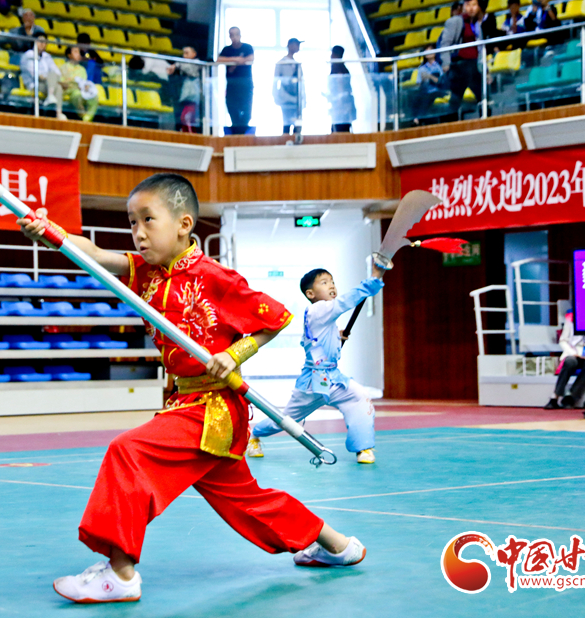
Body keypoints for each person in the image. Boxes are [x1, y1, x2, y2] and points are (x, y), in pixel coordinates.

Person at [20, 173, 368, 604]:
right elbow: (93, 254)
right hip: (185, 399)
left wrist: (235, 354)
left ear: (184, 224)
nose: (138, 232)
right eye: (132, 222)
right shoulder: (147, 272)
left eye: (148, 219)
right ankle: (338, 546)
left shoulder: (215, 276)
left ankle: (120, 573)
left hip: (213, 407)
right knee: (247, 501)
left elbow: (276, 317)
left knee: (128, 452)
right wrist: (52, 234)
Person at [246, 267, 385, 464]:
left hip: (334, 380)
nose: (332, 286)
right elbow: (347, 301)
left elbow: (316, 342)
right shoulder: (319, 309)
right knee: (286, 420)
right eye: (324, 283)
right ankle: (254, 434)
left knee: (358, 397)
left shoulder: (323, 316)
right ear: (310, 294)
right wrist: (374, 278)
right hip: (312, 383)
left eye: (332, 282)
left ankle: (363, 448)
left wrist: (336, 337)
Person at [544, 310, 585, 409]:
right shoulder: (571, 318)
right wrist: (573, 353)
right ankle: (555, 396)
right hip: (575, 353)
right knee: (570, 361)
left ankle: (571, 397)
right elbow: (563, 341)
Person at [438, 0, 483, 118]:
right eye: (468, 5)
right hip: (460, 66)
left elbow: (480, 48)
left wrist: (485, 69)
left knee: (484, 97)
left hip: (474, 66)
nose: (471, 8)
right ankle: (449, 123)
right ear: (463, 7)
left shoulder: (477, 24)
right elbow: (445, 44)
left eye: (474, 5)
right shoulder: (455, 21)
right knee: (455, 99)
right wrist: (446, 62)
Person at [218, 26, 254, 134]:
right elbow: (219, 59)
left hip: (246, 86)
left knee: (247, 113)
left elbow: (250, 58)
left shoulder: (247, 47)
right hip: (232, 86)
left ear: (240, 35)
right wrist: (236, 60)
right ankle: (236, 133)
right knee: (233, 111)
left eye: (236, 34)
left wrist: (237, 62)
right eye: (232, 35)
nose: (234, 37)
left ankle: (242, 132)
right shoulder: (226, 50)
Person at [20, 34, 63, 115]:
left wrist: (49, 78)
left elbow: (57, 72)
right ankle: (51, 98)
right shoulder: (28, 55)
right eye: (40, 41)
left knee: (59, 87)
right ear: (34, 42)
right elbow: (35, 75)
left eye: (45, 42)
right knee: (56, 84)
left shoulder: (47, 56)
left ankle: (58, 113)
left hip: (48, 83)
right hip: (34, 85)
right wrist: (49, 78)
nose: (42, 44)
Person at [273, 37, 305, 137]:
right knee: (286, 123)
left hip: (296, 99)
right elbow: (276, 81)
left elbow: (301, 82)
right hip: (285, 98)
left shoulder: (297, 64)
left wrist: (303, 98)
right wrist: (276, 96)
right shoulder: (281, 63)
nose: (298, 47)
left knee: (297, 126)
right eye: (296, 45)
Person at [60, 45, 99, 121]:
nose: (78, 54)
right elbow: (62, 83)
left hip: (81, 92)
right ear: (69, 55)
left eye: (79, 52)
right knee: (77, 94)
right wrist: (73, 84)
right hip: (70, 92)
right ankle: (82, 114)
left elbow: (84, 83)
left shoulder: (82, 69)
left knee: (94, 98)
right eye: (75, 52)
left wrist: (86, 86)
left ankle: (86, 119)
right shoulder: (64, 67)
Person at [170, 46, 201, 132]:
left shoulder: (197, 63)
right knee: (185, 119)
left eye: (187, 53)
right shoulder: (182, 65)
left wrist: (176, 65)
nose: (184, 55)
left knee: (186, 118)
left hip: (192, 98)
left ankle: (191, 136)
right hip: (184, 98)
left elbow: (191, 71)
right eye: (183, 53)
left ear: (194, 54)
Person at [413, 45, 447, 122]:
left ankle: (420, 118)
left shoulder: (438, 66)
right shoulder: (422, 68)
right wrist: (423, 80)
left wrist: (429, 76)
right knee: (415, 98)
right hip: (425, 91)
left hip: (436, 90)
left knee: (426, 99)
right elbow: (418, 84)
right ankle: (414, 118)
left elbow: (441, 81)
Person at [328, 45, 355, 133]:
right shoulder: (342, 67)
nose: (331, 56)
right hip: (341, 104)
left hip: (341, 106)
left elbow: (340, 84)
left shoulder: (338, 68)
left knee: (340, 130)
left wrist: (338, 102)